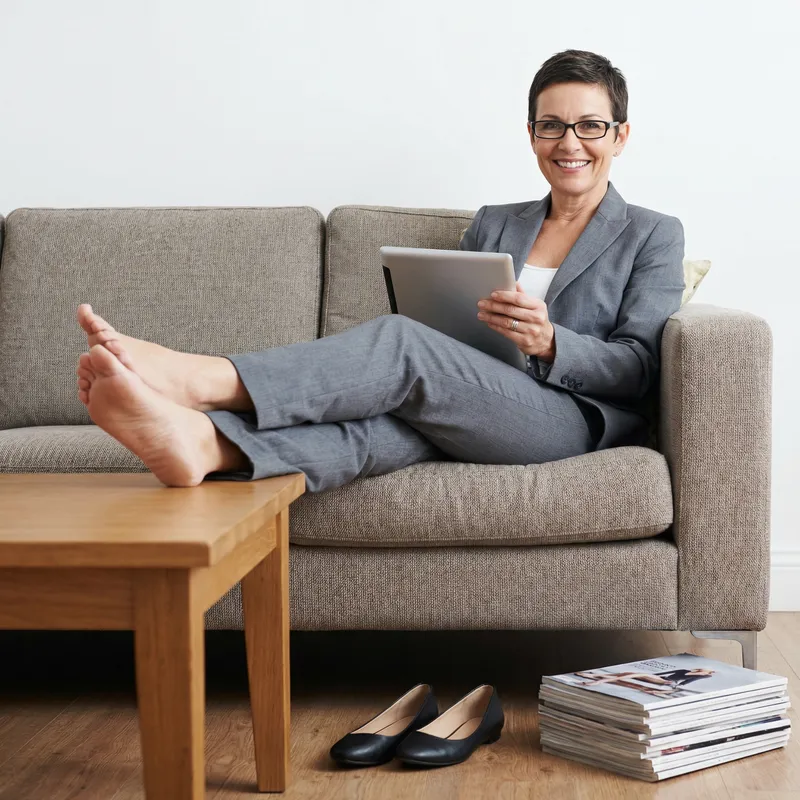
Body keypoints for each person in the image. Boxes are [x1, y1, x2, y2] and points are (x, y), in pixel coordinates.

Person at [74, 49, 685, 491]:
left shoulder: (653, 233)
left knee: (400, 344)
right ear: (531, 135)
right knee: (384, 422)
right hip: (480, 401)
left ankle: (201, 380)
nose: (569, 142)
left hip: (571, 420)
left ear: (620, 136)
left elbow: (640, 367)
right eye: (551, 125)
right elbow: (452, 332)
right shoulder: (496, 223)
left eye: (590, 126)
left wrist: (552, 343)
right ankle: (207, 445)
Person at [575, 668, 716, 696]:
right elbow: (662, 674)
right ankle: (593, 677)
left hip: (666, 683)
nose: (703, 671)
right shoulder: (685, 669)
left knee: (630, 675)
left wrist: (672, 687)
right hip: (661, 678)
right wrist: (650, 675)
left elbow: (685, 683)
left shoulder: (700, 677)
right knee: (626, 674)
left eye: (705, 672)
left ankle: (595, 681)